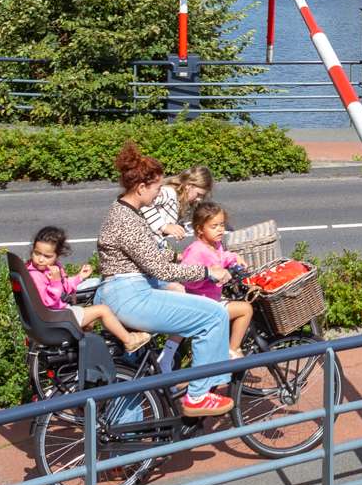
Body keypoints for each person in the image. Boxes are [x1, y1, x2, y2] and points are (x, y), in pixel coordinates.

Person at [95, 144, 237, 416]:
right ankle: (197, 396)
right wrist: (207, 272)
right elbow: (159, 269)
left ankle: (129, 427)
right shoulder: (127, 221)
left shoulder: (123, 211)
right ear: (141, 188)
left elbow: (153, 257)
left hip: (122, 291)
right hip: (131, 296)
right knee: (213, 315)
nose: (160, 192)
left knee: (135, 367)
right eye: (156, 187)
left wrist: (178, 258)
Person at [23, 225, 152, 352]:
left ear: (57, 255)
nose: (40, 259)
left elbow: (63, 288)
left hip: (55, 315)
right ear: (32, 250)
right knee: (103, 310)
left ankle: (81, 347)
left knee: (90, 320)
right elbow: (49, 302)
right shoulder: (36, 276)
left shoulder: (50, 268)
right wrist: (55, 282)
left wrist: (79, 277)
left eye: (47, 256)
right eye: (37, 253)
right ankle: (129, 340)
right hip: (56, 318)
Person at [181, 201, 257, 359]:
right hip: (202, 303)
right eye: (214, 226)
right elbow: (186, 277)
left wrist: (234, 257)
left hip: (211, 299)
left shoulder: (215, 245)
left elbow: (221, 258)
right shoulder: (196, 250)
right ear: (200, 229)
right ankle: (233, 350)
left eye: (222, 224)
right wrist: (209, 277)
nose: (220, 229)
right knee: (245, 309)